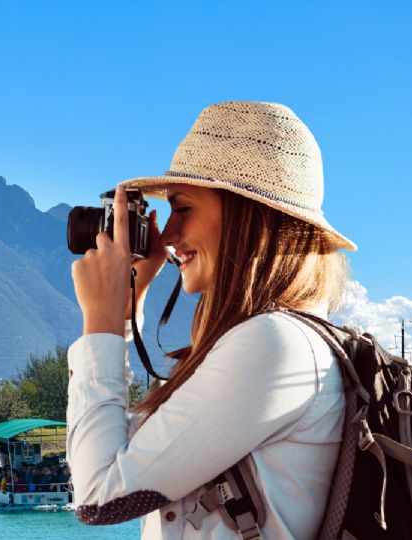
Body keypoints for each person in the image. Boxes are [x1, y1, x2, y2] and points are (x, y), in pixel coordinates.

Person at [67, 101, 352, 538]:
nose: (167, 237)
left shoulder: (274, 344)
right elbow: (118, 454)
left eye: (182, 209)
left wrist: (101, 327)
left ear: (245, 215)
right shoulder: (263, 344)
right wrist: (125, 313)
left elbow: (99, 497)